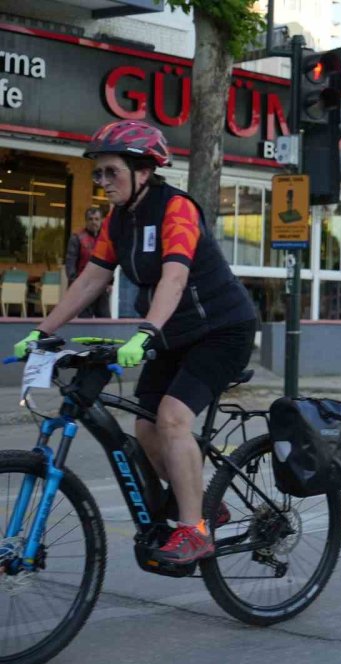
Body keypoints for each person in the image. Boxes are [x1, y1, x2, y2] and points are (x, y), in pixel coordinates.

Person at [14, 120, 257, 566]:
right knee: (145, 427)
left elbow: (176, 275)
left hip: (223, 329)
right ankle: (203, 503)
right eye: (98, 174)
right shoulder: (119, 220)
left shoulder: (176, 209)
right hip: (174, 333)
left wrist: (145, 332)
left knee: (171, 418)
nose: (102, 182)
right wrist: (42, 331)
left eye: (111, 172)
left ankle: (194, 529)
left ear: (143, 170)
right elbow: (92, 278)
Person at [65, 206, 111, 318]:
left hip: (101, 287)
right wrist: (74, 283)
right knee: (85, 322)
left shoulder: (106, 238)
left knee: (105, 321)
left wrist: (111, 282)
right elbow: (70, 263)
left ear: (101, 220)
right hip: (83, 288)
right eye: (90, 219)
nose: (93, 222)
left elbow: (110, 261)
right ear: (86, 221)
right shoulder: (77, 238)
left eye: (96, 219)